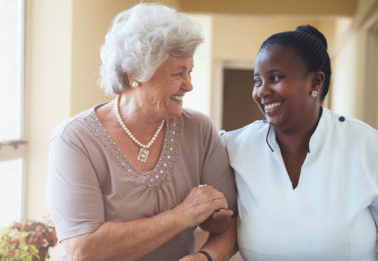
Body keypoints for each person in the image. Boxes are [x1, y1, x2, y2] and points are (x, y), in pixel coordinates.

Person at [46, 4, 237, 261]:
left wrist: (205, 257)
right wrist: (183, 215)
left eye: (190, 72)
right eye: (179, 73)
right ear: (135, 73)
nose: (189, 85)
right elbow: (84, 249)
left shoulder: (199, 130)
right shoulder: (74, 139)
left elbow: (234, 222)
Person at [222, 25, 378, 261]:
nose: (261, 92)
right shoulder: (235, 148)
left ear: (315, 83)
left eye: (275, 78)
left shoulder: (369, 147)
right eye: (257, 81)